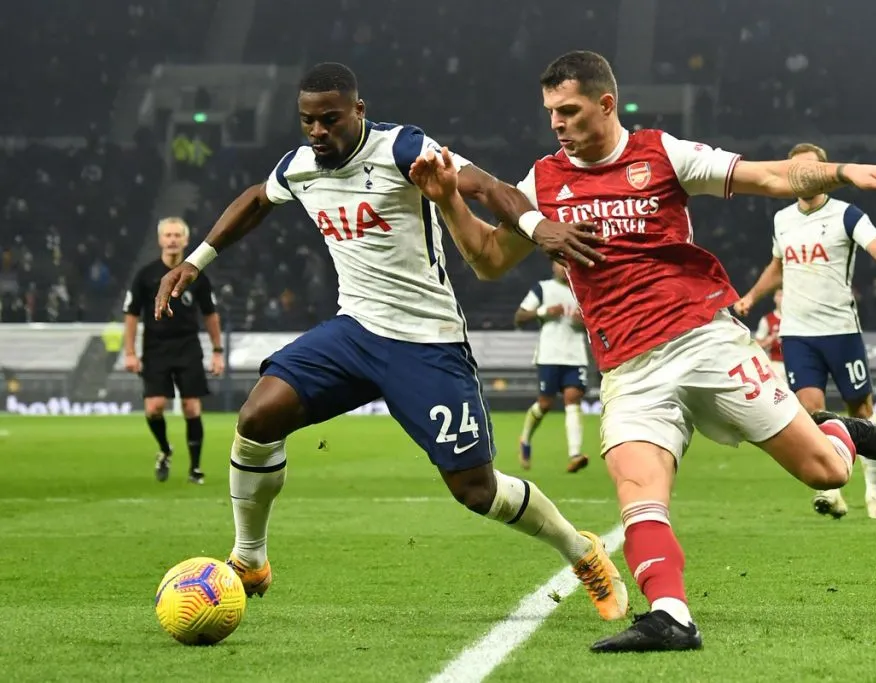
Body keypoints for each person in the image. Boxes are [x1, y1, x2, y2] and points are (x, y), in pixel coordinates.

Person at [406, 50, 876, 653]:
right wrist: (449, 201)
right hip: (627, 369)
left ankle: (836, 433)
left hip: (705, 341)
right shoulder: (543, 182)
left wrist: (846, 171)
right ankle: (671, 615)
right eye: (550, 113)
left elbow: (770, 177)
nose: (557, 123)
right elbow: (487, 261)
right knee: (637, 492)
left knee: (826, 472)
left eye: (569, 110)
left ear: (606, 103)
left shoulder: (661, 153)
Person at [153, 62, 627, 621]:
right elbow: (257, 199)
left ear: (357, 110)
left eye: (329, 119)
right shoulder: (301, 167)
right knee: (258, 417)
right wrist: (196, 260)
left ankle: (582, 552)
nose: (317, 132)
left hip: (427, 342)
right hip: (353, 332)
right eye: (307, 121)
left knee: (476, 490)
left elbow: (488, 187)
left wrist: (536, 227)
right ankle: (250, 558)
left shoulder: (402, 147)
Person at [735, 142, 876, 520]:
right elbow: (777, 266)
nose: (804, 177)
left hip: (840, 330)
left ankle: (875, 495)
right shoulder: (783, 219)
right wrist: (751, 296)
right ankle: (832, 493)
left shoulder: (847, 215)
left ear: (825, 173)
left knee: (860, 412)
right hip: (797, 333)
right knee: (809, 413)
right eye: (797, 171)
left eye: (811, 170)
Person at [123, 217, 223, 484]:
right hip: (155, 348)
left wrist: (217, 350)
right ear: (160, 240)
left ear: (186, 240)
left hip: (188, 346)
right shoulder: (145, 276)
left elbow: (210, 314)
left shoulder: (197, 275)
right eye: (167, 235)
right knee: (154, 408)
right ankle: (166, 450)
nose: (172, 239)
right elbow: (131, 315)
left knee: (191, 407)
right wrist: (130, 352)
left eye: (177, 235)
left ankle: (195, 468)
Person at [515, 262, 590, 473]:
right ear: (552, 266)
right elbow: (519, 317)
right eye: (560, 263)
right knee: (545, 404)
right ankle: (526, 438)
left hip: (576, 355)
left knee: (573, 398)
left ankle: (575, 454)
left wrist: (584, 321)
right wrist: (543, 311)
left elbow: (598, 321)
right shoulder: (543, 288)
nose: (564, 268)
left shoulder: (583, 289)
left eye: (567, 264)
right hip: (549, 354)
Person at [753, 288, 786, 381]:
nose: (782, 298)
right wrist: (771, 338)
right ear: (775, 298)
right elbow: (757, 345)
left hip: (793, 363)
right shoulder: (767, 319)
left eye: (785, 295)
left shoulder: (794, 319)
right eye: (780, 295)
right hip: (775, 364)